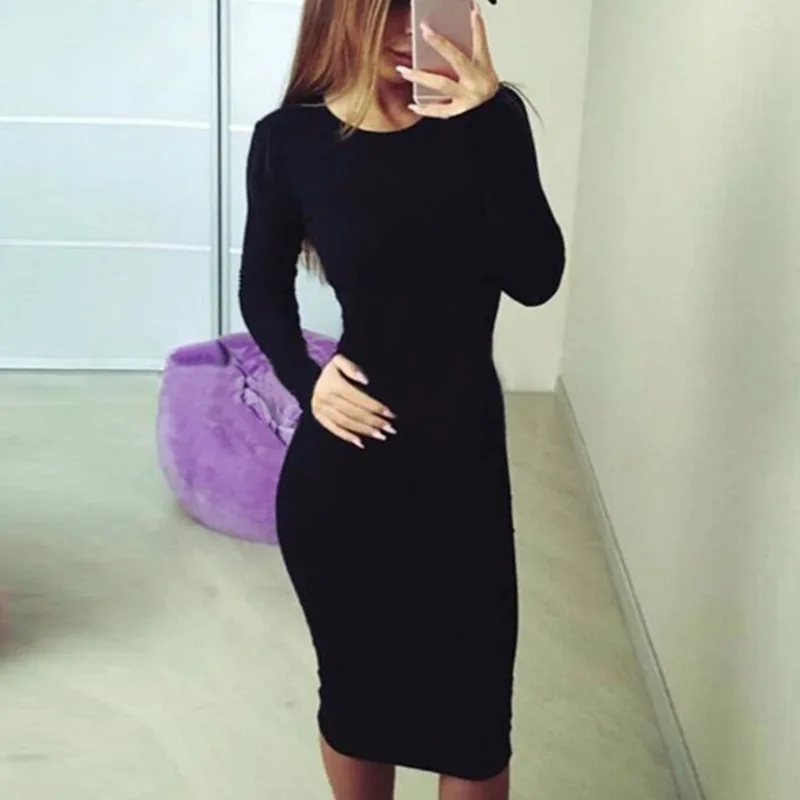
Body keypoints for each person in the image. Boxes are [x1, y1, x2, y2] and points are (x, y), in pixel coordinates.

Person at [239, 0, 564, 797]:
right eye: (394, 7)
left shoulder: (490, 120)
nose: (414, 26)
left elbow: (535, 278)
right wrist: (308, 380)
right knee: (356, 703)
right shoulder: (289, 141)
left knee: (475, 729)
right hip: (345, 469)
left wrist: (485, 126)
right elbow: (261, 291)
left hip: (461, 457)